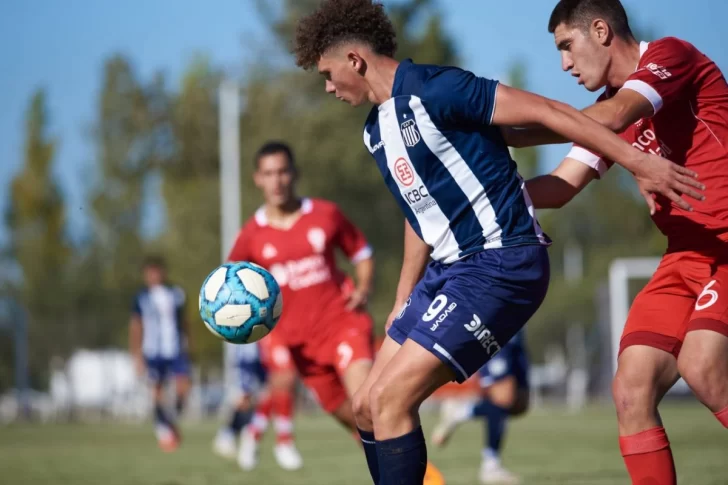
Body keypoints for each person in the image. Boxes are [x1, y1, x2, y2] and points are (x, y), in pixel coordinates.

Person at [292, 1, 702, 483]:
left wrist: (637, 161)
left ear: (355, 60)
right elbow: (420, 214)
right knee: (365, 406)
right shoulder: (375, 132)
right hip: (447, 271)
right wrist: (403, 297)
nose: (327, 86)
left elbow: (548, 112)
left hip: (499, 262)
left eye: (327, 72)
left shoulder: (439, 88)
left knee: (390, 400)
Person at [504, 1, 728, 483]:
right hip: (684, 259)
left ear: (601, 30)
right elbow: (561, 188)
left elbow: (615, 114)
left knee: (703, 366)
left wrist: (505, 131)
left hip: (727, 248)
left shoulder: (670, 56)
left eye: (567, 46)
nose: (563, 63)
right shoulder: (607, 108)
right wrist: (480, 198)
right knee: (630, 389)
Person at [226, 141, 450, 482]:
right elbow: (231, 291)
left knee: (370, 403)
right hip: (301, 347)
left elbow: (361, 252)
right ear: (258, 179)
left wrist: (363, 287)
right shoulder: (251, 236)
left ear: (294, 174)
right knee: (357, 423)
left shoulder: (324, 214)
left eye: (283, 171)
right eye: (269, 174)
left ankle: (428, 479)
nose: (278, 181)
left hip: (343, 325)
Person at [431, 330, 530, 484]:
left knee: (519, 405)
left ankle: (460, 411)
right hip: (495, 330)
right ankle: (491, 466)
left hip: (516, 330)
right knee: (503, 399)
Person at [129, 256, 191, 452]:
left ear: (162, 273)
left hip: (175, 349)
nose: (153, 276)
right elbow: (136, 325)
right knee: (156, 391)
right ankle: (163, 431)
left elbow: (184, 321)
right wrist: (136, 354)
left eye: (156, 272)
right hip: (153, 351)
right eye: (149, 273)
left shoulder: (176, 293)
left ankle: (171, 420)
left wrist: (189, 345)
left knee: (183, 387)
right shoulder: (141, 297)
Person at [213, 338, 302, 471]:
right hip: (265, 329)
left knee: (281, 382)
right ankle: (283, 441)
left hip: (285, 326)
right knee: (283, 377)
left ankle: (253, 435)